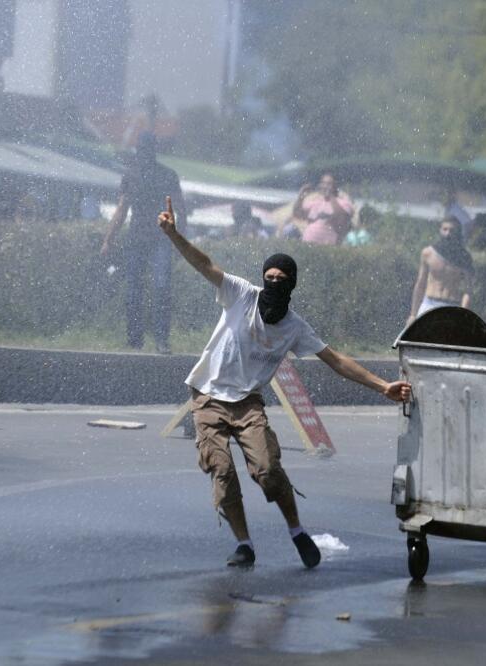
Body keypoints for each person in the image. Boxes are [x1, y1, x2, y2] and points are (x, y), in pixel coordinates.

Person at [156, 197, 411, 568]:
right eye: (269, 278)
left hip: (247, 403)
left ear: (291, 285)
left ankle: (296, 530)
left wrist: (382, 386)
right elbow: (205, 264)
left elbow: (336, 360)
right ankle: (244, 544)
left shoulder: (295, 328)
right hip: (208, 396)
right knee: (222, 471)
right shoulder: (242, 295)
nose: (273, 284)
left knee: (268, 471)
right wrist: (173, 235)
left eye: (281, 280)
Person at [101, 132, 185, 354]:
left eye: (147, 150)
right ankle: (135, 339)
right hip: (138, 239)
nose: (145, 154)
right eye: (143, 150)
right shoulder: (132, 175)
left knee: (159, 287)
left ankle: (160, 339)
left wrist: (181, 242)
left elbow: (180, 209)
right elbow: (122, 209)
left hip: (160, 239)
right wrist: (108, 239)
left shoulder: (167, 175)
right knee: (135, 289)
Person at [408, 216, 473, 322]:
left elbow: (468, 291)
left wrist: (462, 316)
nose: (448, 233)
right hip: (428, 304)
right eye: (445, 229)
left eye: (452, 230)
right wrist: (413, 314)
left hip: (451, 308)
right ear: (440, 230)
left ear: (458, 232)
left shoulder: (464, 258)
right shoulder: (428, 253)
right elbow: (420, 284)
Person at [294, 173, 354, 245]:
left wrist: (331, 196)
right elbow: (298, 214)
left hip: (327, 245)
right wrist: (301, 197)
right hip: (308, 242)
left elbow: (342, 218)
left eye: (329, 184)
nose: (325, 186)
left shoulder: (343, 203)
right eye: (323, 183)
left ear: (335, 186)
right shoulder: (316, 201)